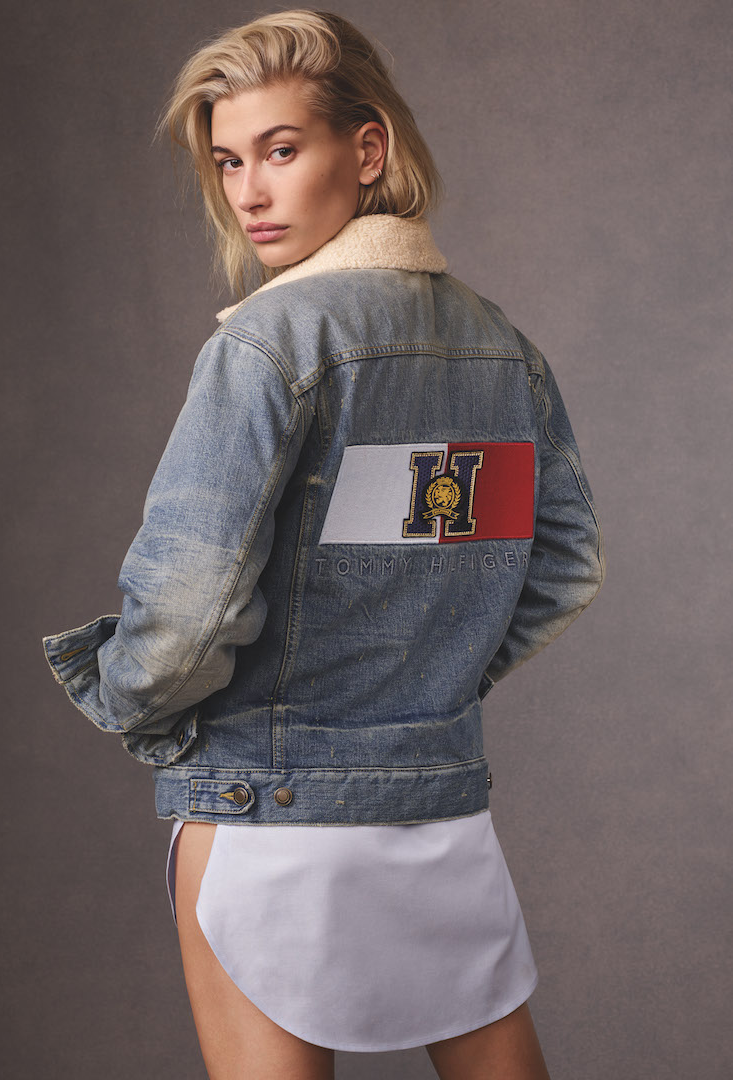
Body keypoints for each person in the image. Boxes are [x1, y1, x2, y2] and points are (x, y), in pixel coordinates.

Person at [43, 9, 604, 1079]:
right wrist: (426, 678)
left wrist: (130, 699)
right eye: (228, 161)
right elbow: (566, 562)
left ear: (369, 149)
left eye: (282, 150)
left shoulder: (267, 343)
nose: (249, 192)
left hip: (266, 809)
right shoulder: (502, 346)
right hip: (437, 805)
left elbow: (190, 606)